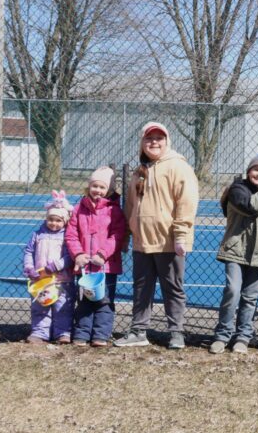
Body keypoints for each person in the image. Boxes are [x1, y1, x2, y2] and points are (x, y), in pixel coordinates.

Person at [116, 122, 199, 350]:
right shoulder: (139, 171)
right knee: (141, 288)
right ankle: (138, 330)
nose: (154, 142)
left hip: (168, 241)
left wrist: (181, 235)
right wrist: (126, 235)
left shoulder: (178, 167)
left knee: (172, 287)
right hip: (142, 241)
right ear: (142, 143)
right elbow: (130, 206)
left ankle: (176, 332)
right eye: (149, 138)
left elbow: (186, 203)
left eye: (158, 138)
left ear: (167, 142)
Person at [209, 153, 258, 355]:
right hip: (236, 251)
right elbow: (249, 207)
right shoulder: (237, 190)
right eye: (256, 169)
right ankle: (222, 335)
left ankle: (243, 336)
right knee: (232, 290)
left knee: (250, 297)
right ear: (249, 170)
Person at [66, 167, 126, 347]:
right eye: (95, 186)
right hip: (84, 268)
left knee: (104, 302)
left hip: (106, 268)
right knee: (84, 302)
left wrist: (102, 254)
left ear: (108, 190)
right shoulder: (79, 209)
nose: (98, 190)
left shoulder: (113, 210)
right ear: (89, 186)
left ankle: (100, 335)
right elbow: (71, 235)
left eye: (102, 187)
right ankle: (82, 334)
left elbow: (117, 235)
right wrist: (78, 254)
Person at [23, 191, 75, 344]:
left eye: (58, 220)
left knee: (63, 308)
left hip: (61, 279)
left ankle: (63, 333)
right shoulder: (37, 234)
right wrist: (29, 267)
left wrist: (56, 266)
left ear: (65, 221)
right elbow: (28, 251)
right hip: (41, 280)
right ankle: (40, 333)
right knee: (40, 307)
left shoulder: (67, 236)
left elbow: (69, 256)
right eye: (51, 219)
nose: (54, 223)